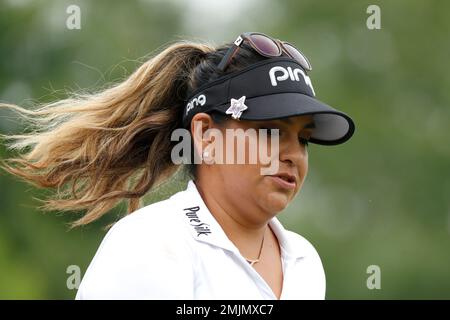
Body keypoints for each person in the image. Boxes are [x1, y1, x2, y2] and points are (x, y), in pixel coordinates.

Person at [0, 32, 355, 300]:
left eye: (304, 138)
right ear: (205, 135)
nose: (293, 153)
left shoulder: (305, 262)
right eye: (269, 131)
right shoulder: (151, 243)